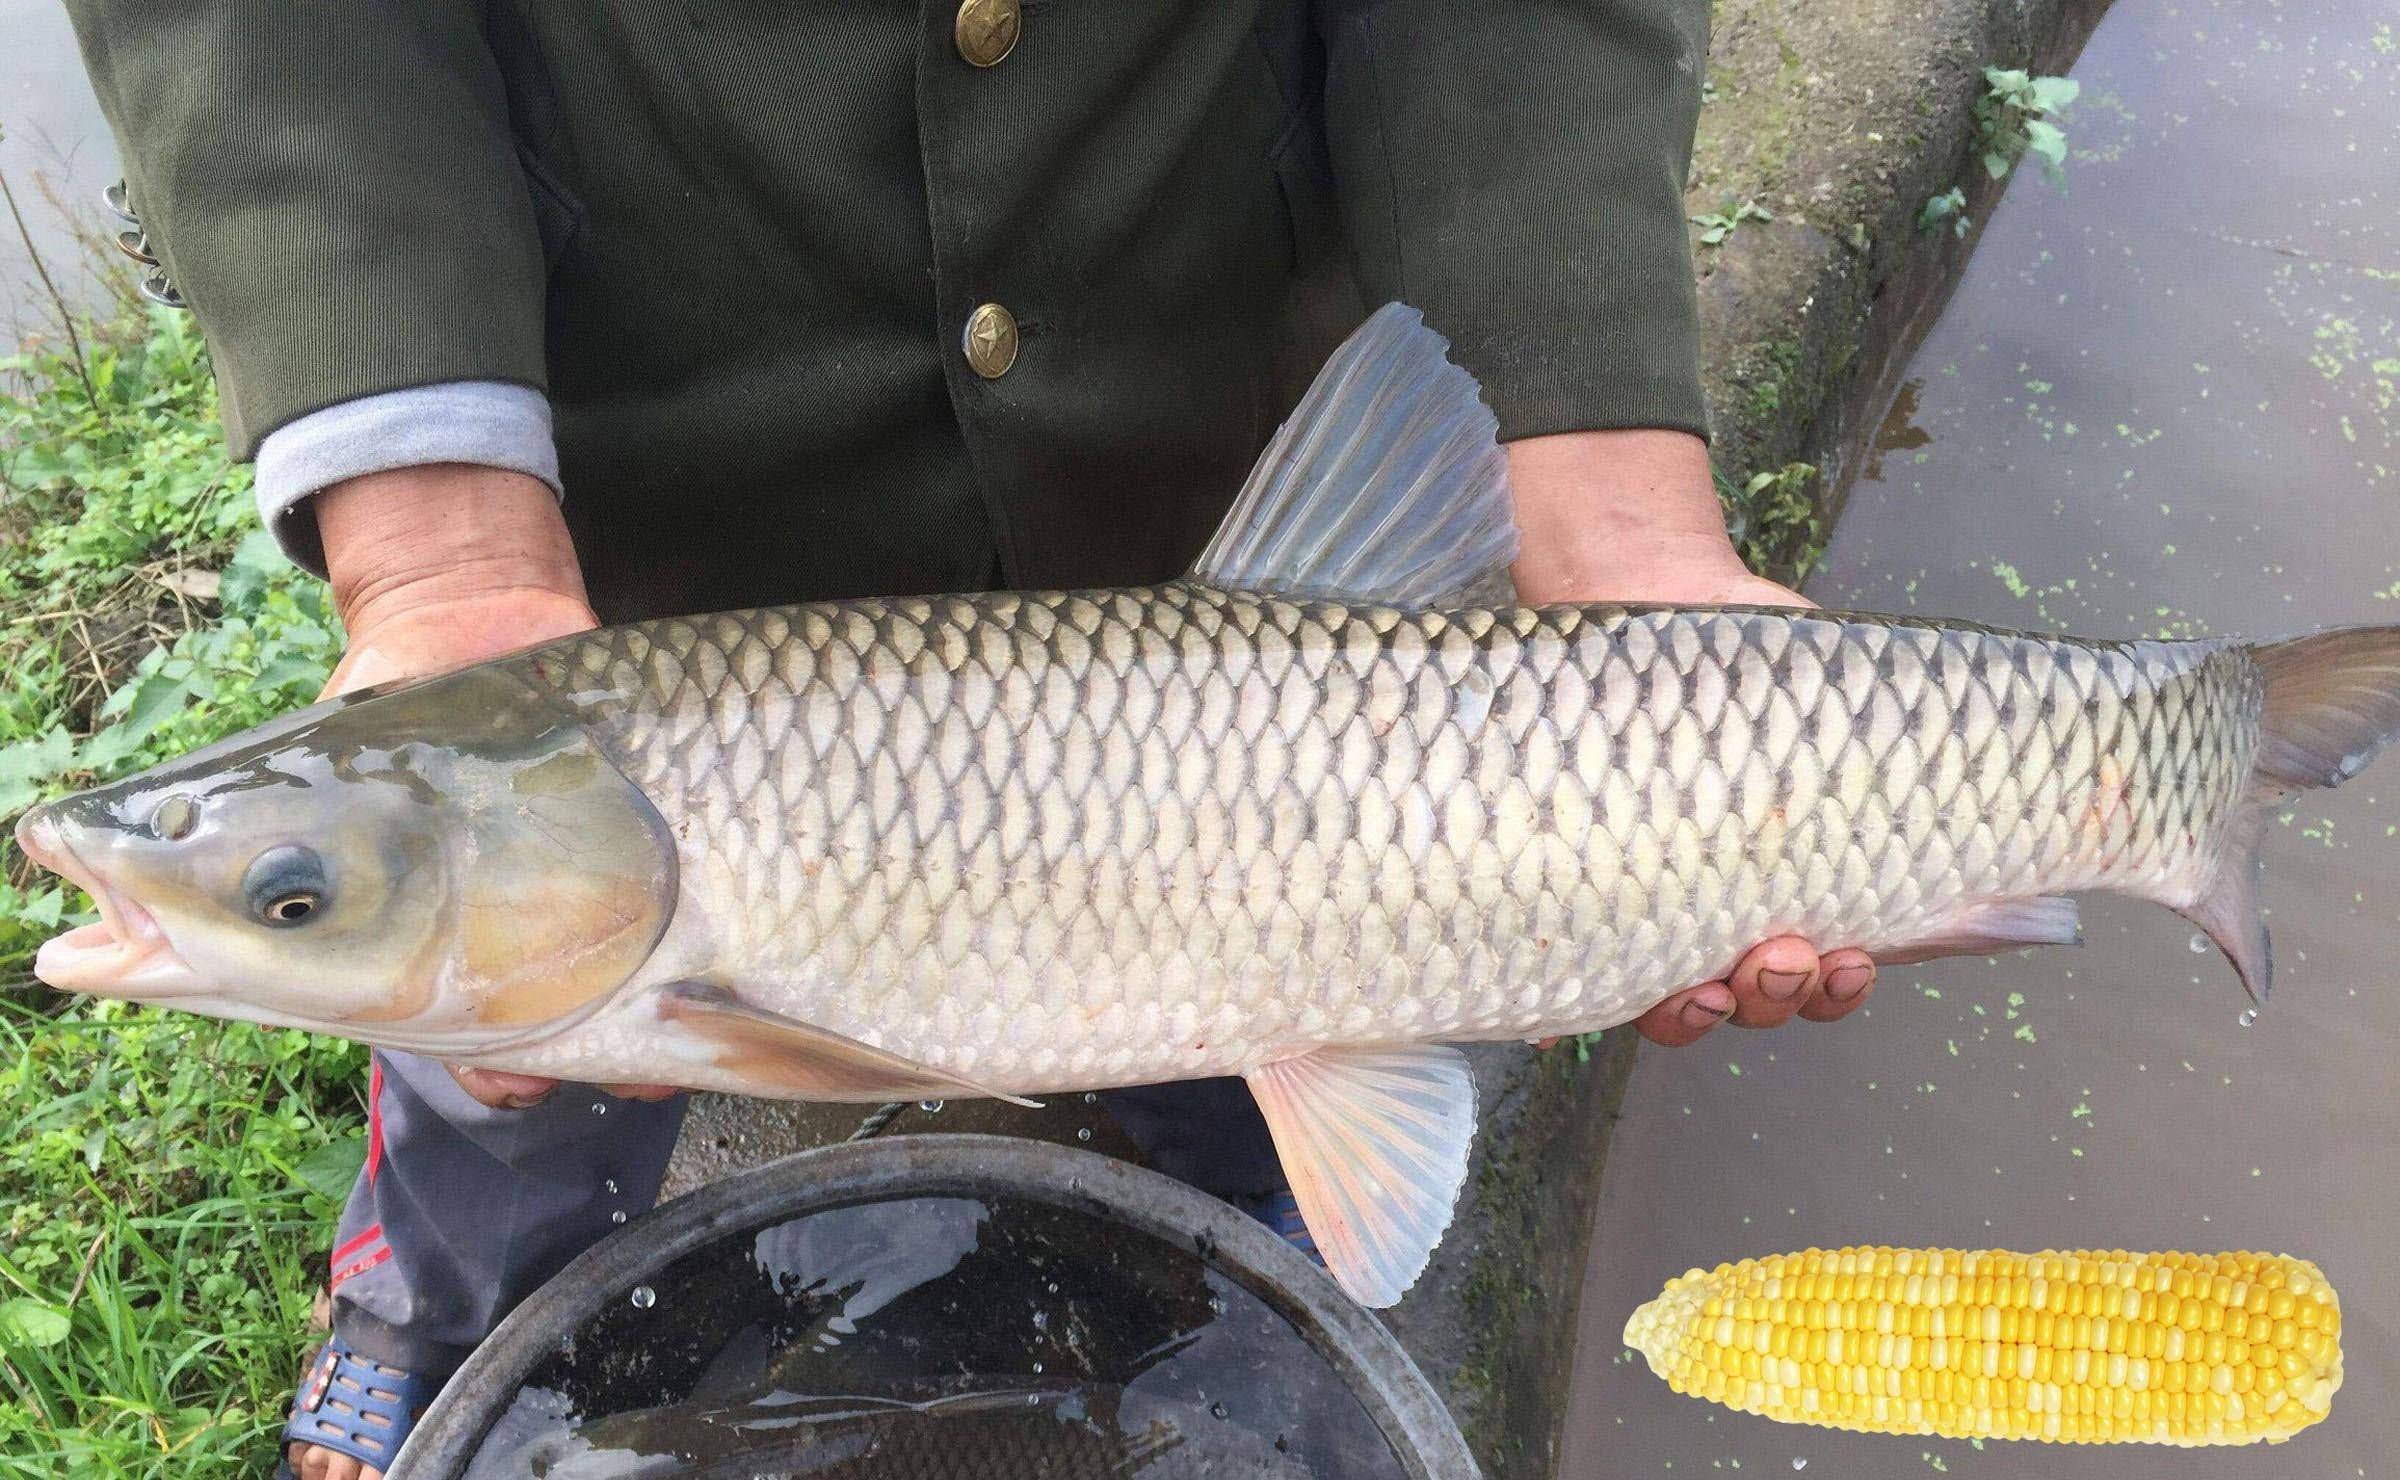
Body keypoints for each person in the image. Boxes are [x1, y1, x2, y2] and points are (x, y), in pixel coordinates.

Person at [65, 3, 1880, 1475]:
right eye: (291, 895)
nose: (278, 902)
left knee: (1254, 1099)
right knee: (499, 1061)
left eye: (287, 892)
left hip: (1194, 386)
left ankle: (1233, 1243)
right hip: (641, 461)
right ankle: (428, 1314)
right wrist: (444, 548)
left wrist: (1607, 486)